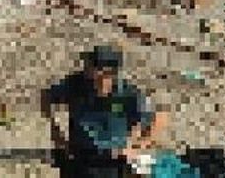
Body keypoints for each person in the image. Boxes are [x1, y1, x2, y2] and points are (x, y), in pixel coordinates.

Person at [41, 45, 165, 176]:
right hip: (80, 157)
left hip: (114, 160)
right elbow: (46, 96)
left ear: (110, 74)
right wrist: (55, 132)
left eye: (94, 69)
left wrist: (138, 145)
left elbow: (160, 118)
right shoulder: (76, 85)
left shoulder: (127, 93)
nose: (87, 72)